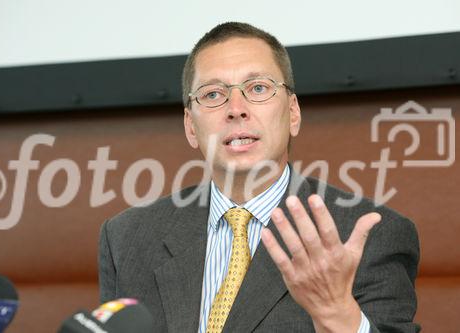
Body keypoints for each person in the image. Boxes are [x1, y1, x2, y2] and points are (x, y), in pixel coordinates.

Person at [99, 22, 420, 332]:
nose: (235, 108)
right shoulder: (127, 239)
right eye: (212, 94)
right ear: (190, 127)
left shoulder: (368, 236)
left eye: (258, 88)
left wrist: (338, 316)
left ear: (293, 113)